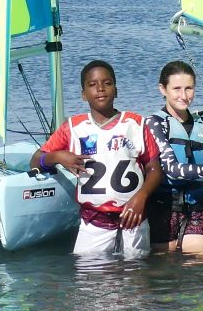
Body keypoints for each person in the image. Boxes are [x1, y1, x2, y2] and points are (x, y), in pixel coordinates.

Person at [33, 60, 163, 259]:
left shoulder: (135, 124)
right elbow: (35, 160)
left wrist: (142, 196)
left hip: (134, 219)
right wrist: (57, 156)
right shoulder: (73, 128)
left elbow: (154, 168)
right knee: (89, 275)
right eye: (92, 84)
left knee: (135, 274)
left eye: (107, 83)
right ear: (83, 94)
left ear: (116, 90)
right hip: (93, 222)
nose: (100, 89)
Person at [144, 59, 203, 255]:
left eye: (189, 88)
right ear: (163, 89)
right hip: (163, 208)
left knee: (202, 259)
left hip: (197, 207)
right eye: (176, 89)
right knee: (163, 261)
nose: (184, 95)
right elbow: (171, 169)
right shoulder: (154, 124)